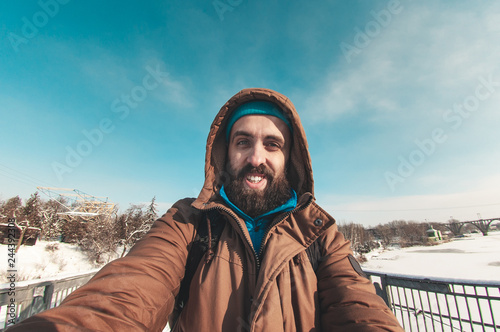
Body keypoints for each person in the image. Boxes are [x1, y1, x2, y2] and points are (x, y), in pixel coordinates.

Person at [7, 88, 403, 331]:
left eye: (272, 144)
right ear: (224, 153)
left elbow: (358, 307)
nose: (256, 158)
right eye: (243, 142)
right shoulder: (188, 223)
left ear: (290, 160)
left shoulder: (320, 234)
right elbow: (130, 290)